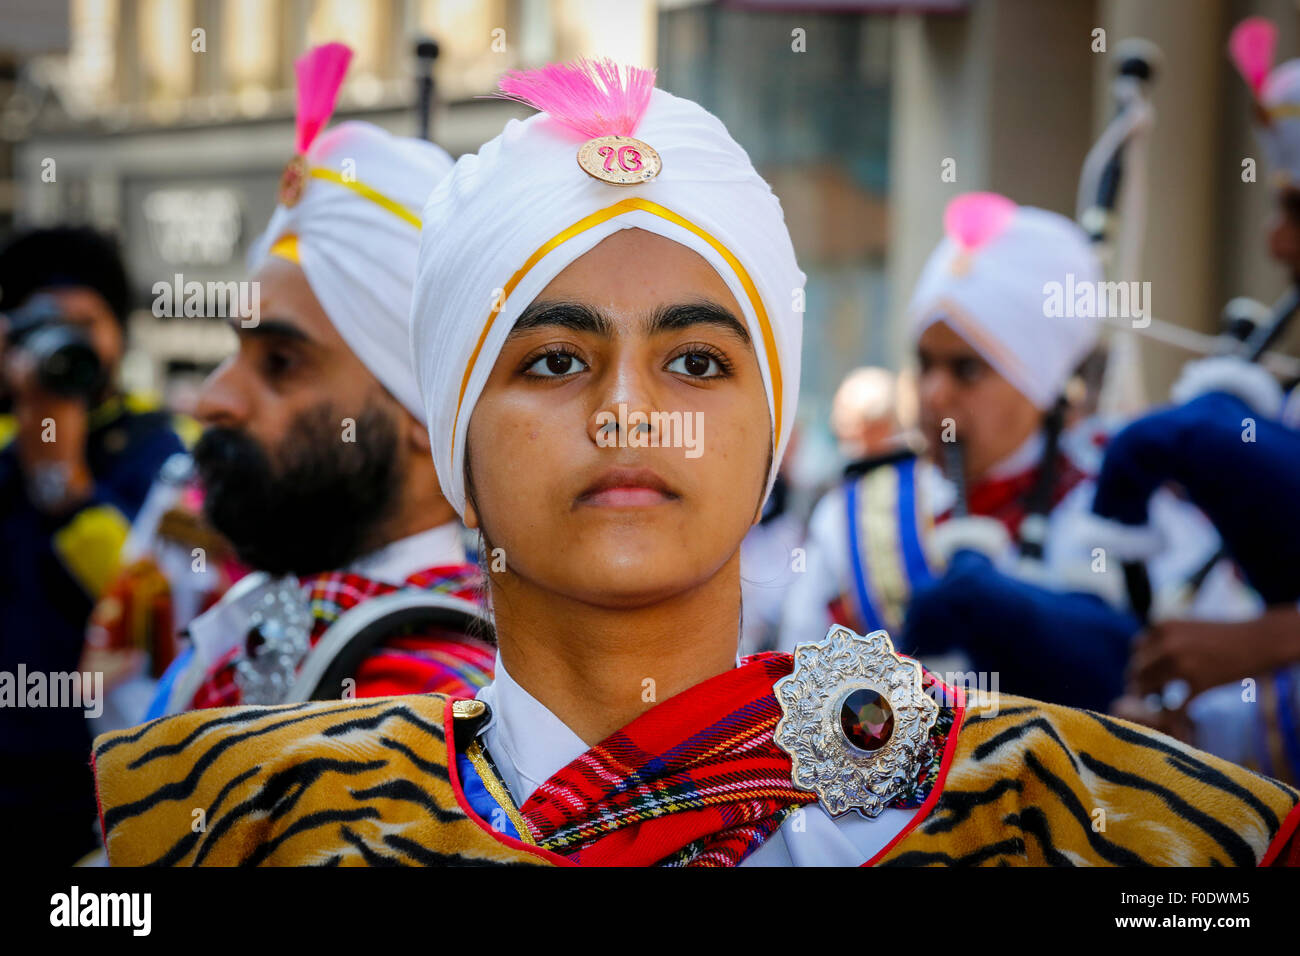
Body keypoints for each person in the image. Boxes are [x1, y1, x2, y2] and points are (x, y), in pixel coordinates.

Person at [90, 59, 1300, 867]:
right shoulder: (241, 816)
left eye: (700, 363)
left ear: (773, 435)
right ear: (448, 430)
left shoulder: (1056, 812)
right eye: (555, 361)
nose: (629, 416)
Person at [146, 44, 493, 718]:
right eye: (234, 352)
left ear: (430, 418)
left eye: (280, 363)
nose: (214, 399)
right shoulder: (254, 633)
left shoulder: (436, 710)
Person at [0, 225, 186, 863]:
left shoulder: (158, 449)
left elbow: (150, 601)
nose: (68, 343)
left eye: (87, 322)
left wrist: (67, 485)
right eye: (46, 324)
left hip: (96, 791)